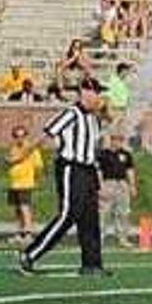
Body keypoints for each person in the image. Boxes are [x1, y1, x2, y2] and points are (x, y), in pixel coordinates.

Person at [17, 82, 109, 277]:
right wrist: (25, 153)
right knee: (69, 214)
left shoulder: (94, 119)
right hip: (71, 167)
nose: (99, 97)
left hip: (88, 169)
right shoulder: (71, 113)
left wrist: (98, 178)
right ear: (85, 93)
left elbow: (94, 149)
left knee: (90, 217)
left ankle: (92, 264)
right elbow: (46, 134)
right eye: (96, 93)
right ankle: (31, 254)